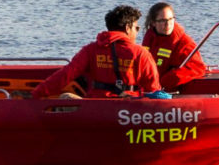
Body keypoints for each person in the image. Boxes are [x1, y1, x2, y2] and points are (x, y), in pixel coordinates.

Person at [31, 5, 161, 99]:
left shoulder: (91, 50)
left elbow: (66, 74)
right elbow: (153, 89)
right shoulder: (140, 53)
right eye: (136, 28)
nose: (137, 32)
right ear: (128, 28)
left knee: (66, 97)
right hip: (129, 111)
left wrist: (37, 94)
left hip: (95, 108)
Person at [142, 2, 206, 91]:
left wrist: (165, 81)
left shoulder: (184, 43)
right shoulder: (150, 38)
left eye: (170, 19)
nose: (168, 24)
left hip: (167, 91)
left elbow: (198, 67)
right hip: (149, 88)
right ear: (153, 23)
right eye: (162, 20)